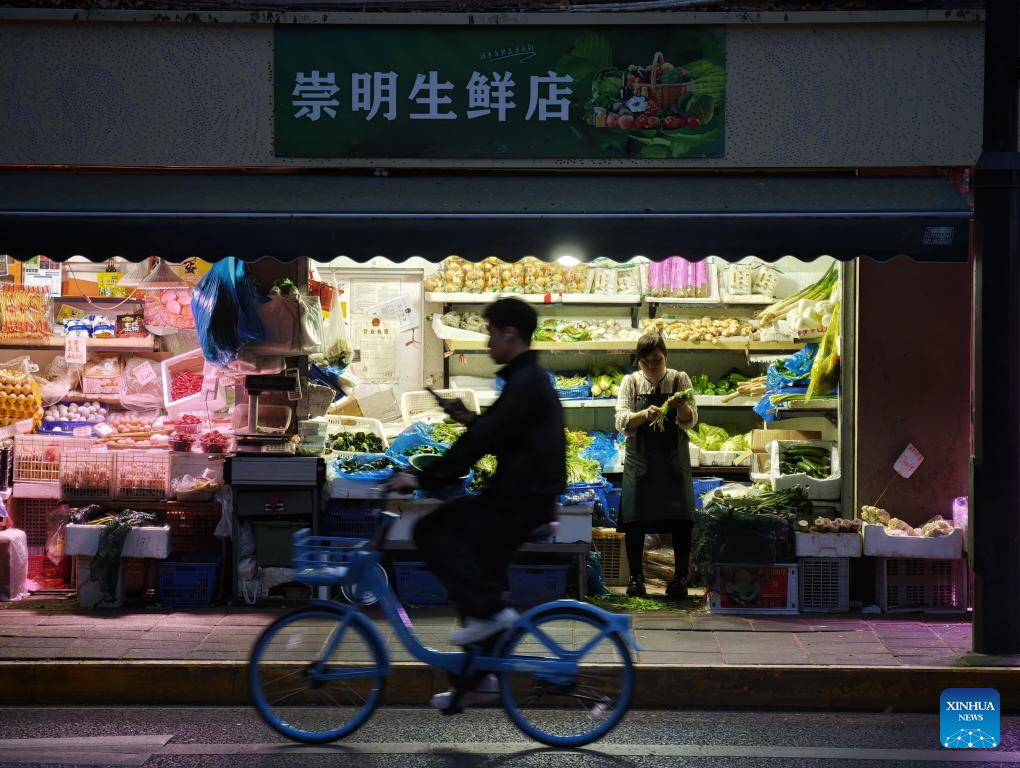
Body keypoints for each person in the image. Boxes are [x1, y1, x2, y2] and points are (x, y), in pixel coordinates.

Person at [387, 298, 566, 706]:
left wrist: (420, 476)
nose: (487, 343)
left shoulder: (527, 383)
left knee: (433, 529)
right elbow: (498, 431)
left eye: (490, 333)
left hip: (521, 501)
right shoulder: (525, 379)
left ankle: (490, 622)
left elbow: (482, 442)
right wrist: (466, 417)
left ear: (509, 333)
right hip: (520, 497)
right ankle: (479, 681)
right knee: (477, 577)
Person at [613, 332, 698, 600]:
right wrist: (643, 414)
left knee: (681, 523)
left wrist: (681, 406)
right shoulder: (631, 383)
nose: (651, 367)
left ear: (666, 357)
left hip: (673, 464)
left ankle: (679, 580)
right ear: (638, 362)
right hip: (641, 464)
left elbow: (690, 420)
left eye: (657, 361)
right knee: (635, 521)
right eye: (646, 362)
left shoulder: (679, 379)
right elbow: (621, 420)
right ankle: (637, 580)